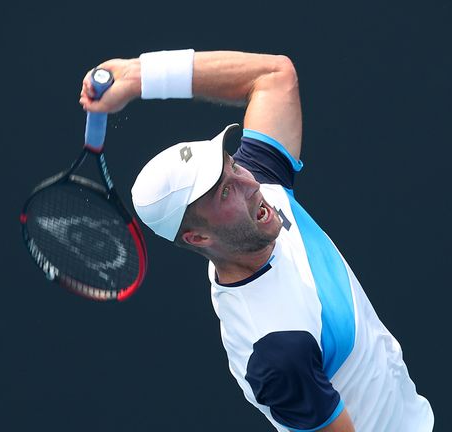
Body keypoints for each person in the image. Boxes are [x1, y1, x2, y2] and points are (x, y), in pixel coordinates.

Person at [80, 49, 434, 432]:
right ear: (197, 235)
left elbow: (274, 76)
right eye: (224, 192)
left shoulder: (257, 188)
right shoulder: (276, 349)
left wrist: (140, 75)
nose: (250, 184)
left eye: (232, 162)